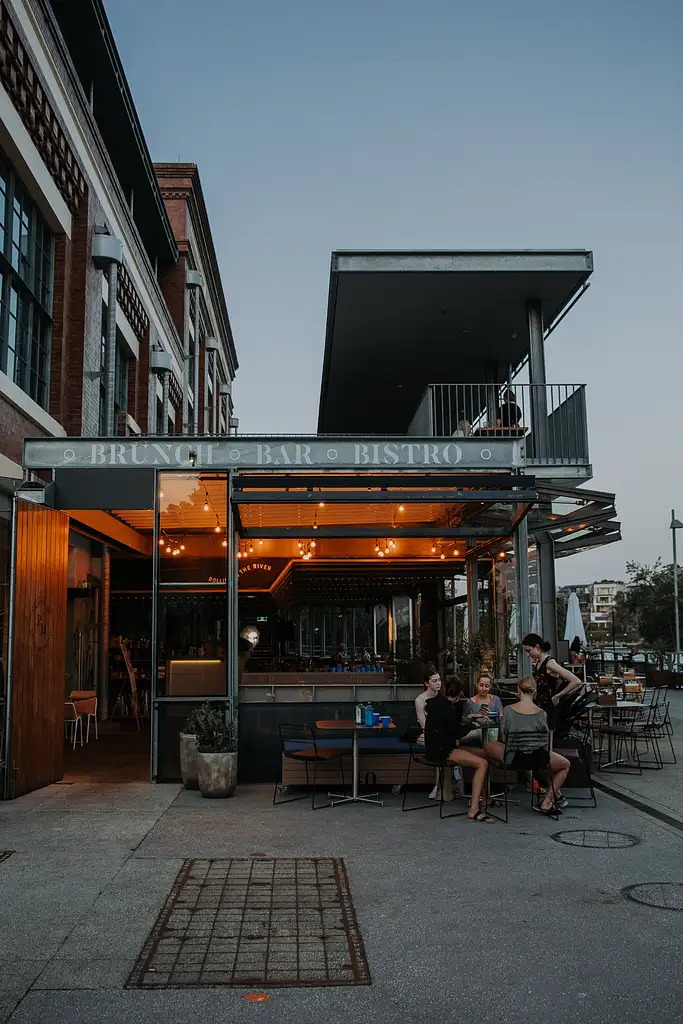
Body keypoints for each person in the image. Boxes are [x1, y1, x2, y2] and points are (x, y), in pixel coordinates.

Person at [483, 677, 570, 814]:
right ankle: (548, 800)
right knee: (565, 765)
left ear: (519, 690)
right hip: (538, 759)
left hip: (514, 758)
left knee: (488, 748)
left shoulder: (507, 710)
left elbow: (504, 738)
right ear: (534, 691)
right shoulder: (542, 714)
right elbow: (544, 738)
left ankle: (487, 794)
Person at [424, 677, 494, 823]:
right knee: (482, 763)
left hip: (436, 747)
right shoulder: (447, 708)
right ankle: (474, 810)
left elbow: (450, 728)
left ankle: (486, 799)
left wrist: (466, 724)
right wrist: (473, 724)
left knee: (485, 755)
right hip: (443, 751)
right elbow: (457, 732)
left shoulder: (435, 704)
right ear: (459, 693)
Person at [522, 633, 582, 732]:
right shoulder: (539, 662)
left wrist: (557, 696)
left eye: (529, 651)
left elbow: (576, 681)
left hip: (548, 708)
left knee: (547, 736)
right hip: (540, 706)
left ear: (537, 647)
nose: (528, 654)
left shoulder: (550, 663)